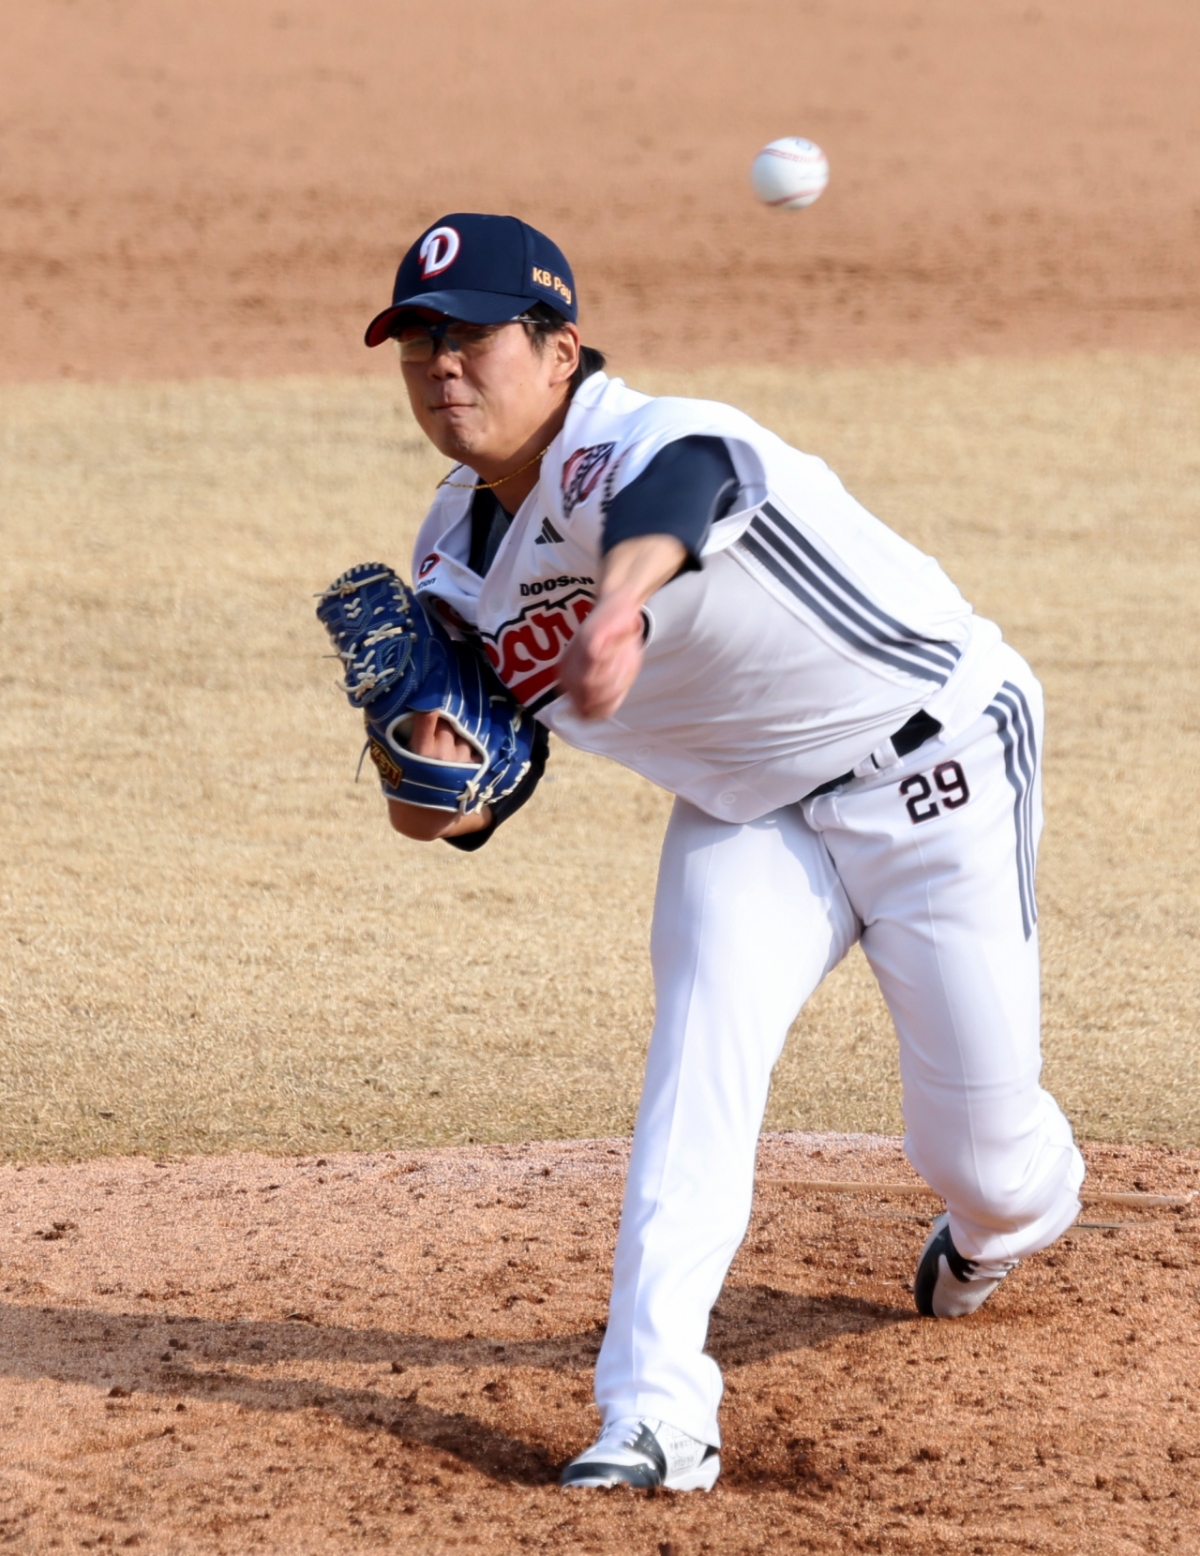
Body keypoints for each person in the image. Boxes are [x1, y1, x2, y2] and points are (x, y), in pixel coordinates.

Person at [362, 212, 1085, 1492]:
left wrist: (623, 600)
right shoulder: (450, 562)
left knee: (982, 1158)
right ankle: (655, 1413)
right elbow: (472, 804)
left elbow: (684, 490)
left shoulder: (645, 436)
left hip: (940, 765)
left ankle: (1005, 1217)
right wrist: (420, 782)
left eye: (471, 334)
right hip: (749, 814)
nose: (442, 365)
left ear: (560, 348)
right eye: (418, 341)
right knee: (696, 1061)